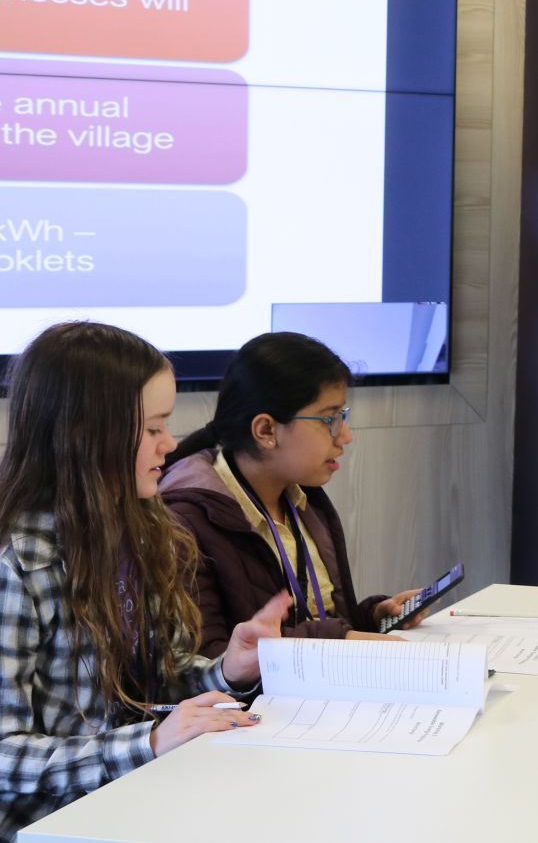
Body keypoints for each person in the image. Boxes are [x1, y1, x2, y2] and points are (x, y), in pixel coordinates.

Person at [0, 322, 287, 840]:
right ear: (87, 436)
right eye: (154, 429)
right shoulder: (18, 562)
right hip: (54, 824)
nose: (170, 444)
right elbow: (6, 756)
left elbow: (157, 683)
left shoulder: (144, 529)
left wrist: (227, 673)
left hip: (142, 794)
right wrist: (147, 744)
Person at [161, 332, 421, 658]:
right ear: (266, 430)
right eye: (330, 419)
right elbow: (210, 661)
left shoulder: (304, 499)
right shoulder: (188, 521)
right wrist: (341, 637)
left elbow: (312, 618)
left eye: (343, 416)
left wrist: (372, 618)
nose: (345, 435)